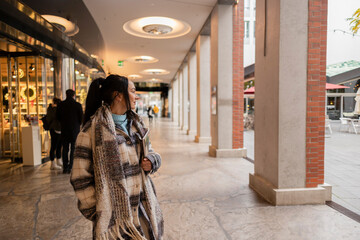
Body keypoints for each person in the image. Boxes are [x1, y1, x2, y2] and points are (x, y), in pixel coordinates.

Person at [70, 75, 163, 240]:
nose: (136, 96)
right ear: (118, 95)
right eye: (133, 91)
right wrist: (101, 212)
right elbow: (80, 178)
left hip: (143, 208)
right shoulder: (90, 132)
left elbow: (151, 151)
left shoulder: (137, 125)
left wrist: (152, 161)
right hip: (115, 224)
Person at [57, 89, 83, 174]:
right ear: (73, 95)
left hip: (64, 129)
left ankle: (65, 167)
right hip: (74, 130)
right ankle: (71, 165)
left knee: (65, 148)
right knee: (73, 148)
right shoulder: (77, 105)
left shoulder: (61, 105)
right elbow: (81, 118)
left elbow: (58, 117)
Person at [46, 97, 62, 170]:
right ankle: (52, 163)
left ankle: (58, 160)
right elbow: (50, 118)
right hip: (54, 129)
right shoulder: (52, 109)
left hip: (58, 129)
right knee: (54, 146)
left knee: (58, 145)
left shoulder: (52, 109)